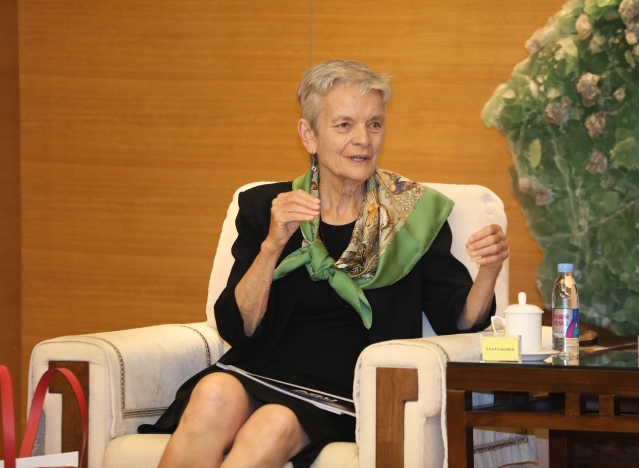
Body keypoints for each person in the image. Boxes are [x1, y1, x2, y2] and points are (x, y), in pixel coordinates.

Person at [140, 59, 509, 468]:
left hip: (343, 391)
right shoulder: (266, 207)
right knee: (212, 392)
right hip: (260, 369)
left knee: (273, 423)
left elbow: (458, 321)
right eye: (344, 125)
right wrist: (272, 244)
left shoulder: (411, 216)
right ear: (309, 134)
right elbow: (237, 327)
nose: (363, 140)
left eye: (374, 124)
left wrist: (489, 270)